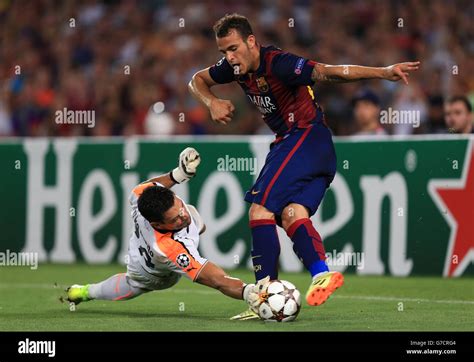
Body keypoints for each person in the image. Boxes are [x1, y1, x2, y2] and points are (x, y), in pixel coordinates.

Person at [188, 13, 420, 319]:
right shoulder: (234, 69)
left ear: (251, 41)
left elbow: (328, 72)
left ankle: (262, 295)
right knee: (291, 214)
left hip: (304, 137)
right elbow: (197, 80)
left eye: (233, 48)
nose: (229, 58)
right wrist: (211, 102)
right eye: (223, 52)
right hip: (314, 148)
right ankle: (321, 273)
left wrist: (382, 72)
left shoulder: (279, 63)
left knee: (259, 210)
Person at [65, 148, 263, 314]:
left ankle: (82, 292)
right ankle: (85, 292)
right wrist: (248, 292)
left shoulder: (140, 196)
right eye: (175, 219)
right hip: (153, 274)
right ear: (159, 225)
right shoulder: (168, 247)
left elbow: (146, 186)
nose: (183, 216)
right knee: (132, 284)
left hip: (144, 243)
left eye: (179, 207)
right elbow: (215, 279)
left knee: (191, 217)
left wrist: (178, 174)